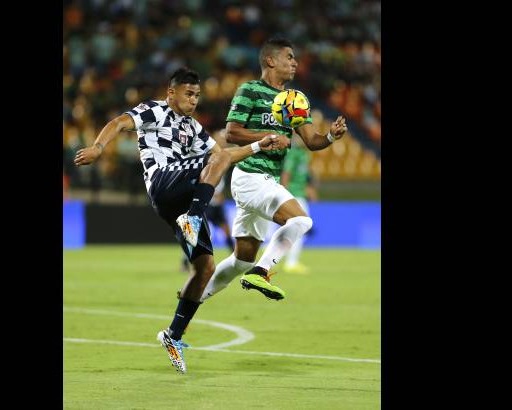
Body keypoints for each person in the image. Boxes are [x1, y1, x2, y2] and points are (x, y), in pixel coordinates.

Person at [73, 67, 279, 373]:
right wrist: (99, 147)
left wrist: (259, 146)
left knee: (206, 267)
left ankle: (173, 335)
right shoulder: (153, 111)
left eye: (197, 95)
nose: (194, 100)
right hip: (162, 181)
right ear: (172, 93)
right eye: (188, 93)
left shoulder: (194, 128)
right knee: (218, 160)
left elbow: (222, 155)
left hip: (179, 201)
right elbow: (119, 122)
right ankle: (194, 218)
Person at [200, 37, 348, 302]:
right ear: (270, 60)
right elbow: (232, 132)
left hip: (266, 180)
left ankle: (192, 300)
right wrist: (266, 137)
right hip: (249, 176)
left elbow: (311, 141)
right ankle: (262, 271)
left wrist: (329, 137)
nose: (295, 63)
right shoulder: (250, 90)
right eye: (289, 57)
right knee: (301, 220)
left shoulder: (295, 100)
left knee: (240, 262)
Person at [180, 130, 235, 273]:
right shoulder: (206, 156)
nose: (223, 142)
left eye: (224, 140)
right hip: (205, 201)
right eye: (220, 139)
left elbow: (220, 180)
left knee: (226, 231)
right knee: (194, 231)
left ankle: (235, 259)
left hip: (217, 203)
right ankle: (185, 262)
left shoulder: (224, 156)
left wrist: (221, 193)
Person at [280, 134, 318, 274]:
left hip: (300, 194)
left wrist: (309, 189)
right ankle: (291, 262)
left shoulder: (304, 154)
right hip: (294, 195)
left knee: (296, 230)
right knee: (301, 228)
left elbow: (303, 175)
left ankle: (282, 258)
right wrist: (283, 194)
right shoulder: (294, 154)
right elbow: (286, 174)